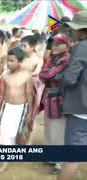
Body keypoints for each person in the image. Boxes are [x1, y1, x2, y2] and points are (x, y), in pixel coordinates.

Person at [58, 11, 87, 180]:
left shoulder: (82, 47)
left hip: (81, 110)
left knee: (72, 157)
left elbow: (69, 79)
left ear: (81, 30)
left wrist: (60, 76)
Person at [0, 47, 33, 172]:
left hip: (20, 108)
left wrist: (29, 112)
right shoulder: (5, 76)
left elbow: (29, 95)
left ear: (20, 61)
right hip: (7, 107)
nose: (9, 63)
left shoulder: (27, 76)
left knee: (15, 134)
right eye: (8, 61)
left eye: (12, 61)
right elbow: (1, 94)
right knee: (5, 133)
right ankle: (5, 161)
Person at [39, 34, 70, 175]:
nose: (54, 46)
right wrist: (49, 74)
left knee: (60, 131)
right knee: (50, 129)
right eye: (53, 44)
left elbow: (47, 75)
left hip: (61, 100)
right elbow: (43, 74)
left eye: (58, 44)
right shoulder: (52, 59)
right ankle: (52, 157)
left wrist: (48, 74)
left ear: (67, 45)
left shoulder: (67, 59)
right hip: (50, 97)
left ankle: (60, 163)